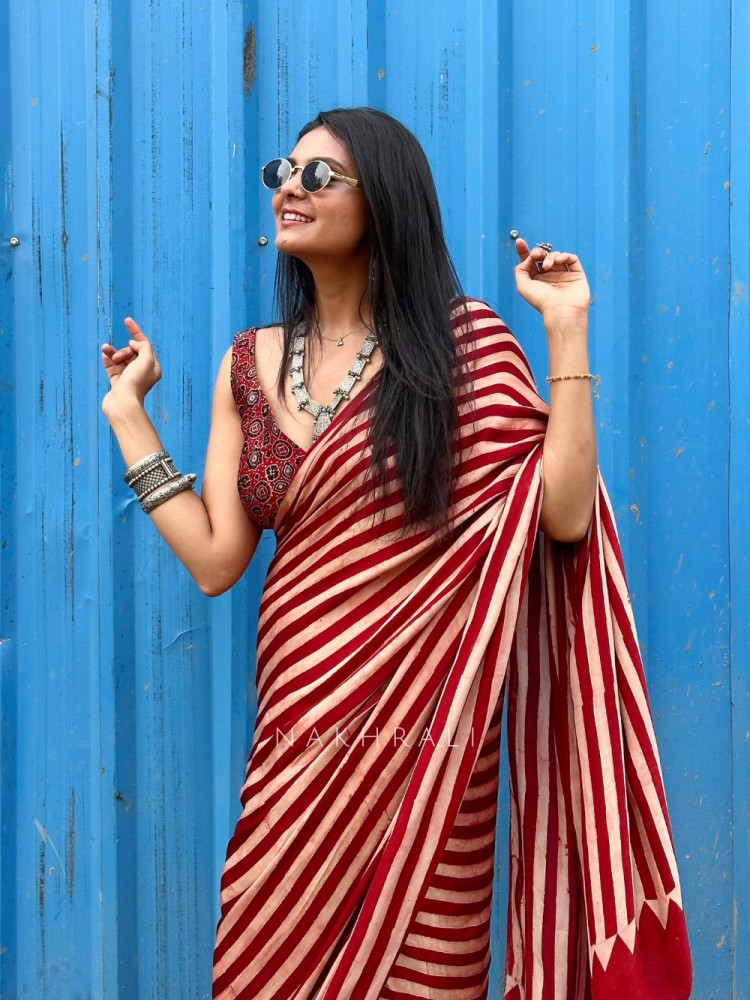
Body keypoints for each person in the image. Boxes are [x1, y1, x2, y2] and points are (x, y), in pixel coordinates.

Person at [101, 108, 692, 1000]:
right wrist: (130, 418)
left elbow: (565, 516)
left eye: (318, 176)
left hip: (432, 752)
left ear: (383, 203)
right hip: (298, 747)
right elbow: (218, 561)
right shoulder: (246, 365)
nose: (290, 189)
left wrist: (566, 327)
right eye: (283, 172)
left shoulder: (465, 351)